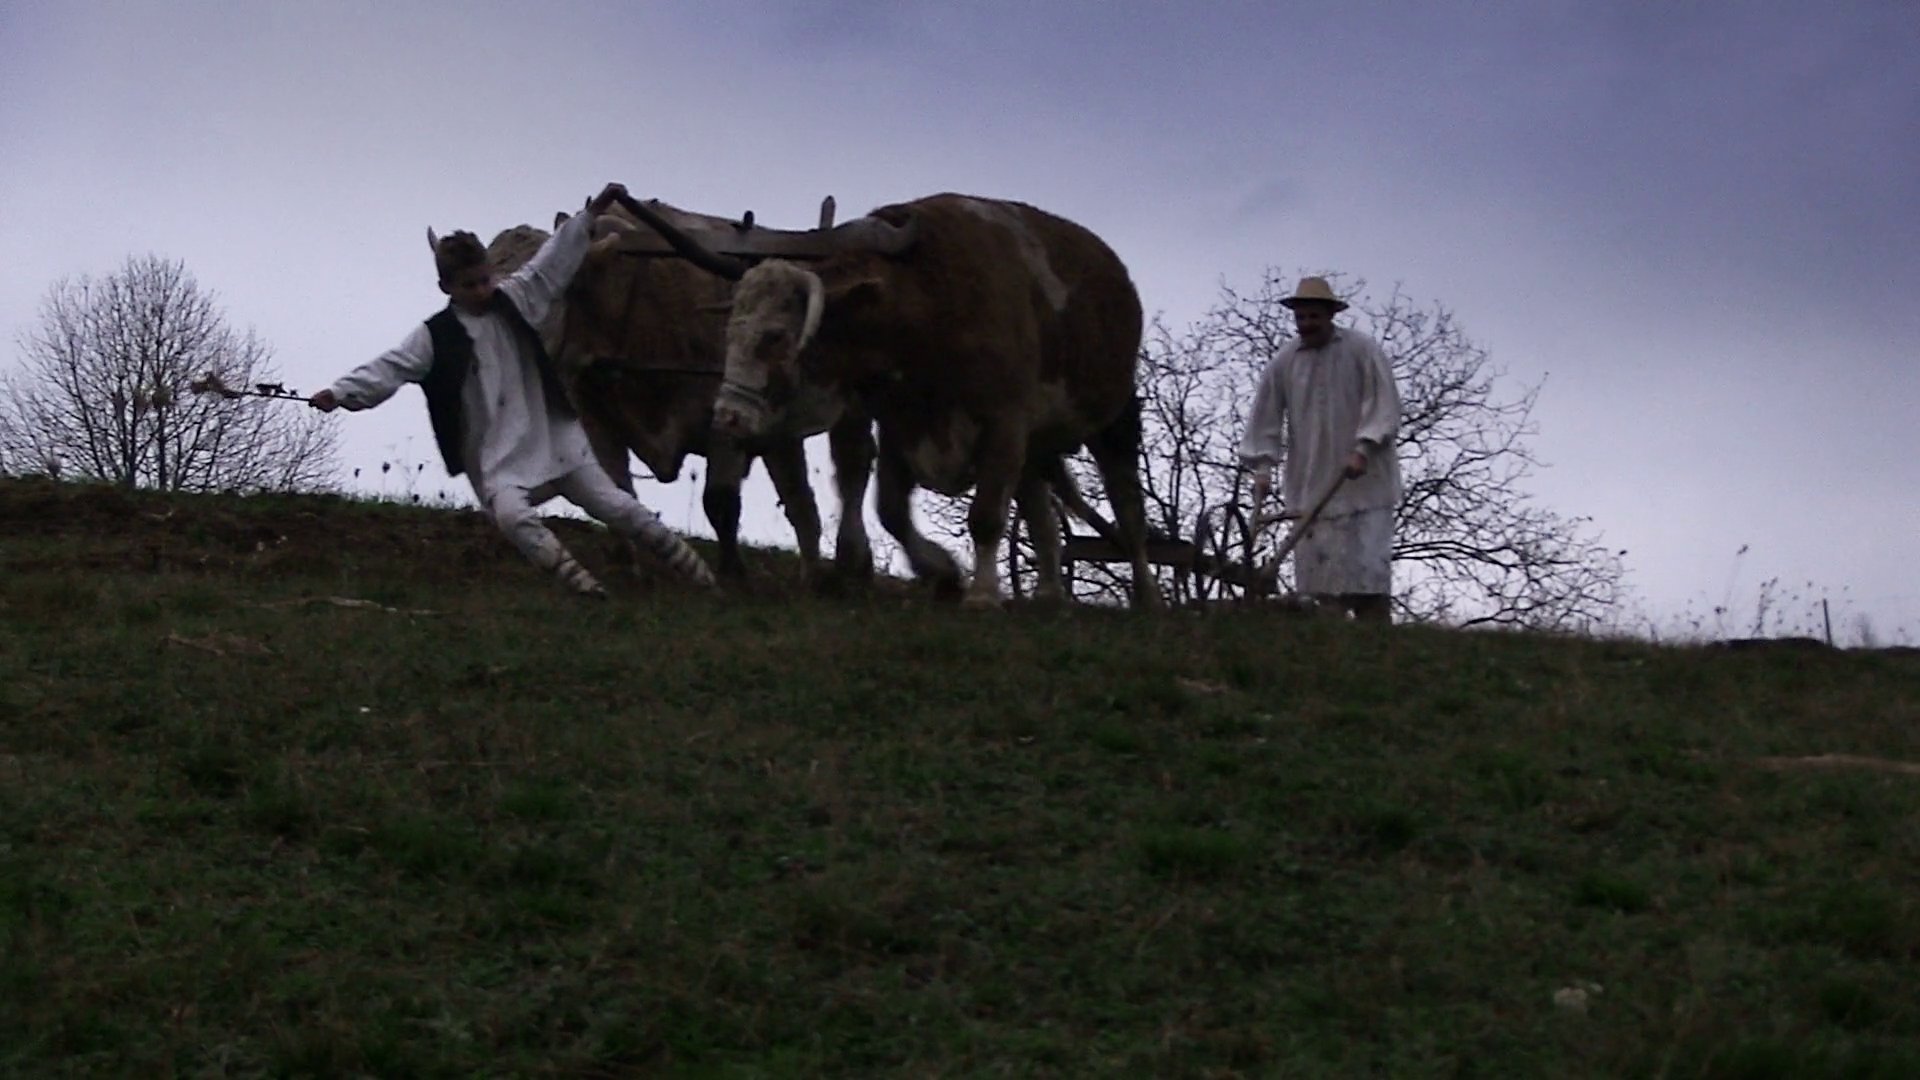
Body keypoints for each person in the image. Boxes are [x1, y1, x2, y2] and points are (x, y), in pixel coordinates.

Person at [310, 182, 715, 597]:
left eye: (485, 281)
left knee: (619, 508)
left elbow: (551, 263)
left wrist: (592, 212)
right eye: (470, 285)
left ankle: (698, 573)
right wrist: (339, 393)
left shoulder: (517, 298)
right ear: (447, 288)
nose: (482, 291)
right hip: (498, 458)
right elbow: (389, 367)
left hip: (554, 439)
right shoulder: (436, 337)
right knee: (511, 517)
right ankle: (582, 585)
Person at [1237, 276, 1402, 622]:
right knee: (1320, 581)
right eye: (1301, 317)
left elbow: (1383, 404)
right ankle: (1327, 633)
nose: (1307, 324)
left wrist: (1364, 448)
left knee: (1368, 573)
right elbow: (1265, 416)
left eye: (1314, 316)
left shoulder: (1362, 350)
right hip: (1311, 483)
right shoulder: (1284, 362)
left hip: (1364, 484)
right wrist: (1263, 469)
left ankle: (1375, 633)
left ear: (1330, 315)